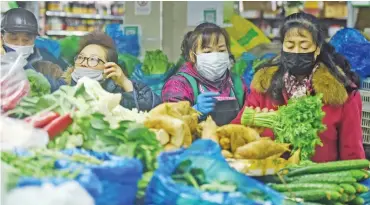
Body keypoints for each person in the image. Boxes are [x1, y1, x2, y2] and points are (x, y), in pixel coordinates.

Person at [232, 12, 365, 162]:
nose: (296, 51)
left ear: (317, 49)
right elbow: (235, 131)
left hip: (317, 181)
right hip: (269, 177)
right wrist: (251, 131)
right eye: (290, 45)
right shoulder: (264, 85)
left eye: (304, 45)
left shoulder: (341, 92)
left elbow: (352, 154)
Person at [162, 23, 248, 126]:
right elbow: (169, 122)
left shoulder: (237, 83)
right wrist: (194, 110)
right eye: (207, 51)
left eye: (221, 50)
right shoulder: (178, 84)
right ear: (192, 56)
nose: (216, 57)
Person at [63, 31, 160, 111]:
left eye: (93, 59)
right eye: (81, 57)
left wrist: (125, 83)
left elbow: (152, 110)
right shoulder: (63, 86)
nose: (83, 63)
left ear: (109, 67)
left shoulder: (121, 91)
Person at [1, 8, 67, 91]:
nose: (20, 44)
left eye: (26, 40)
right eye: (13, 39)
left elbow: (65, 87)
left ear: (35, 39)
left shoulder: (48, 58)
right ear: (1, 37)